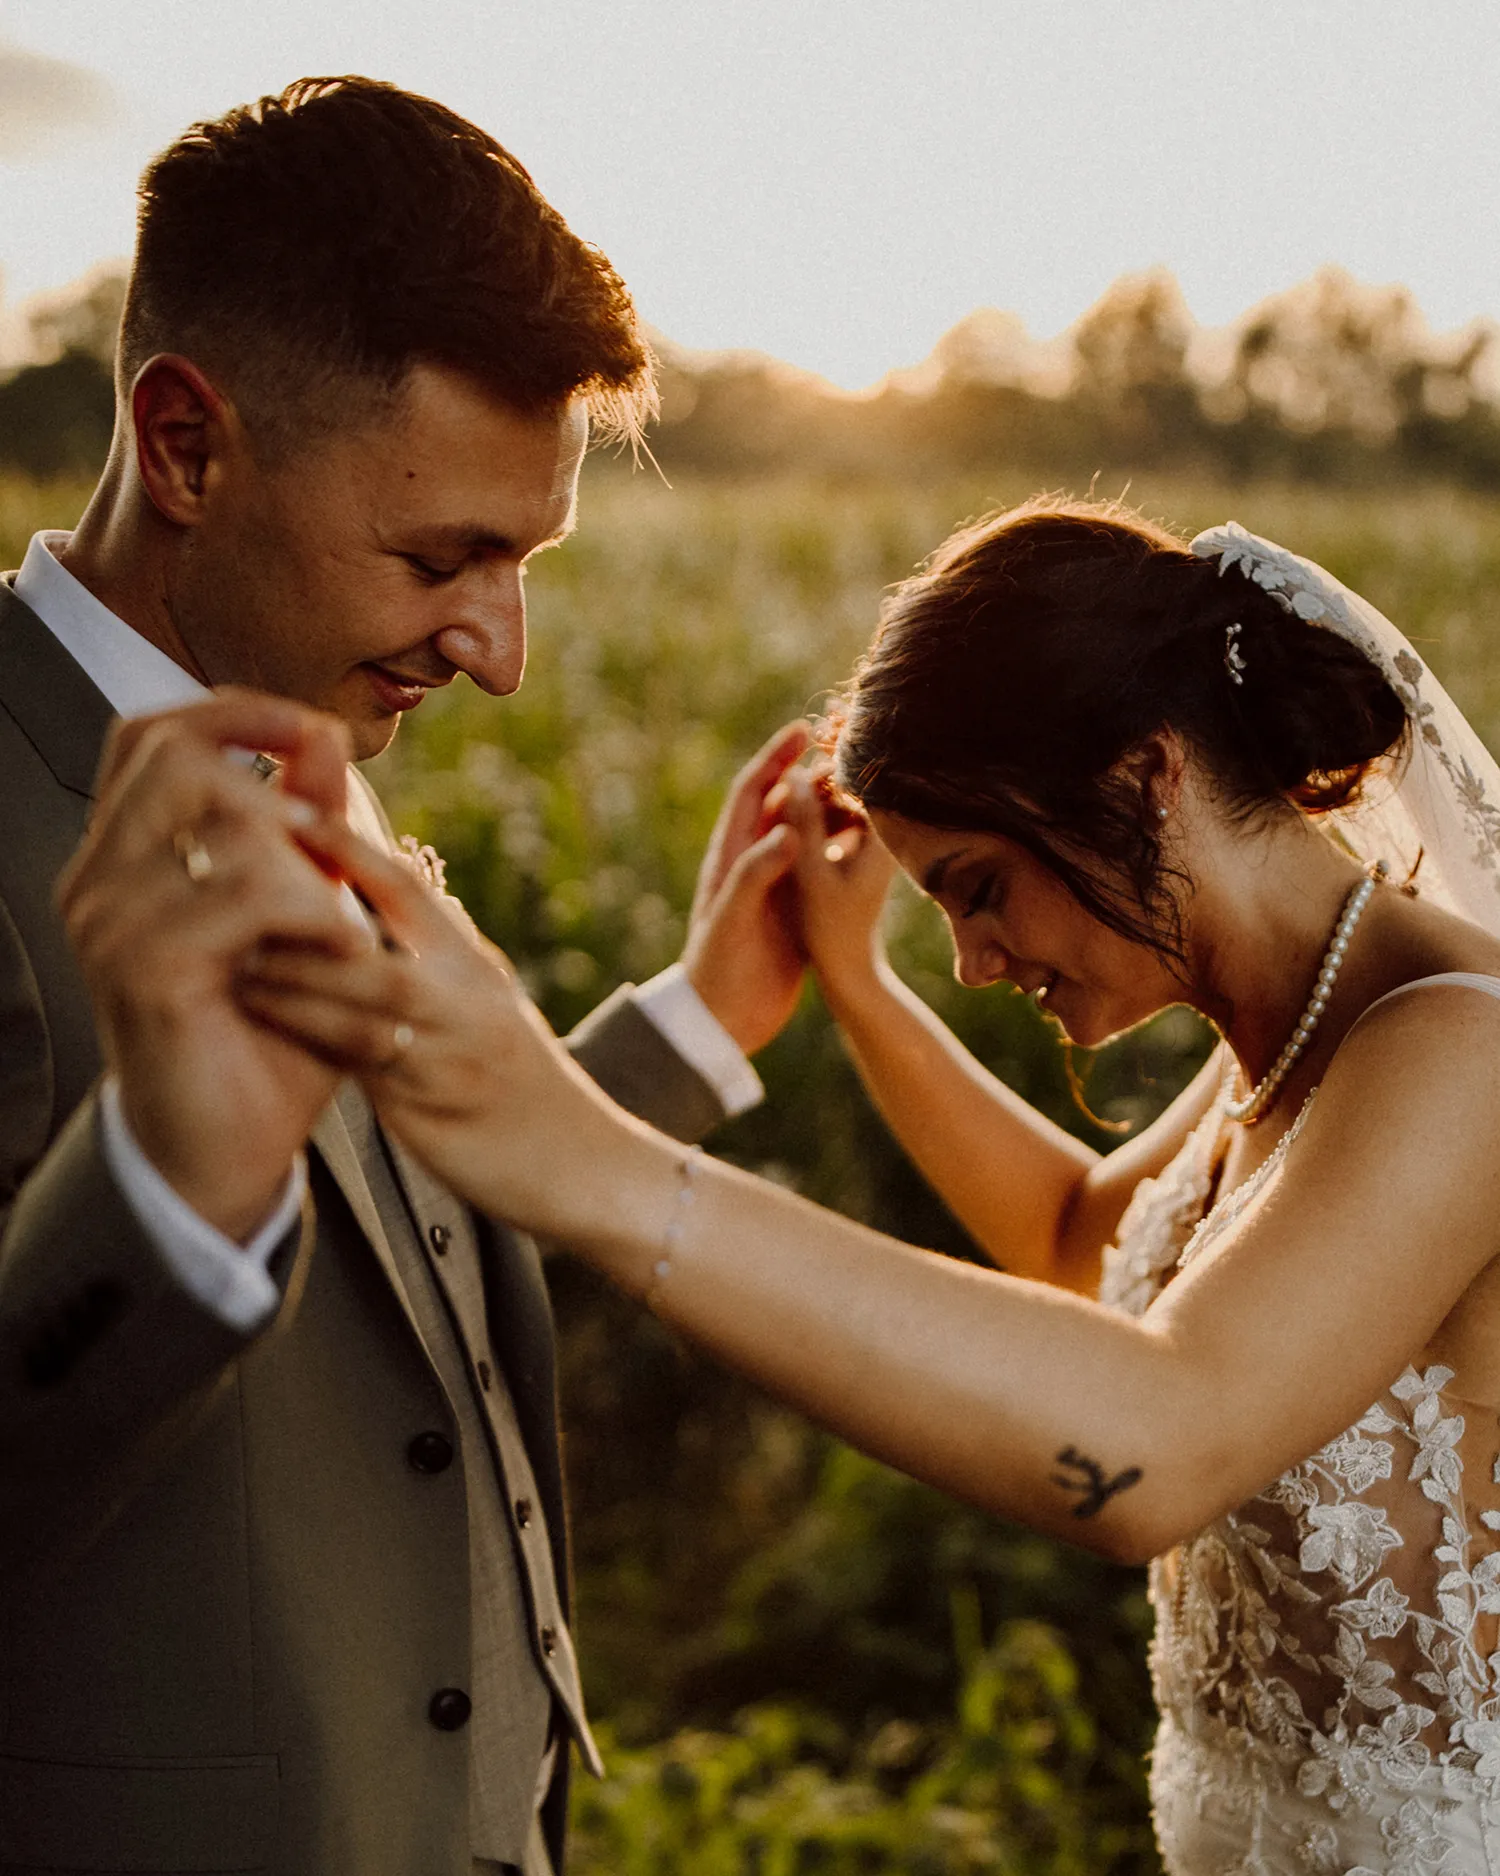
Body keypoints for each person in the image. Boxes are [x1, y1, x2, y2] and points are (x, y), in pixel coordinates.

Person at [239, 498, 1500, 1870]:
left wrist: (594, 1163)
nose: (974, 958)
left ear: (1146, 775)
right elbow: (1088, 1244)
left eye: (979, 886)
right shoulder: (1298, 1021)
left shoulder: (1460, 1051)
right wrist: (855, 983)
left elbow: (1160, 1443)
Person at [0, 76, 811, 1876]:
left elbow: (410, 1226)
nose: (501, 654)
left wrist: (691, 1023)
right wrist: (161, 1194)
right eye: (443, 556)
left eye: (523, 561)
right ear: (188, 444)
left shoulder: (308, 756)